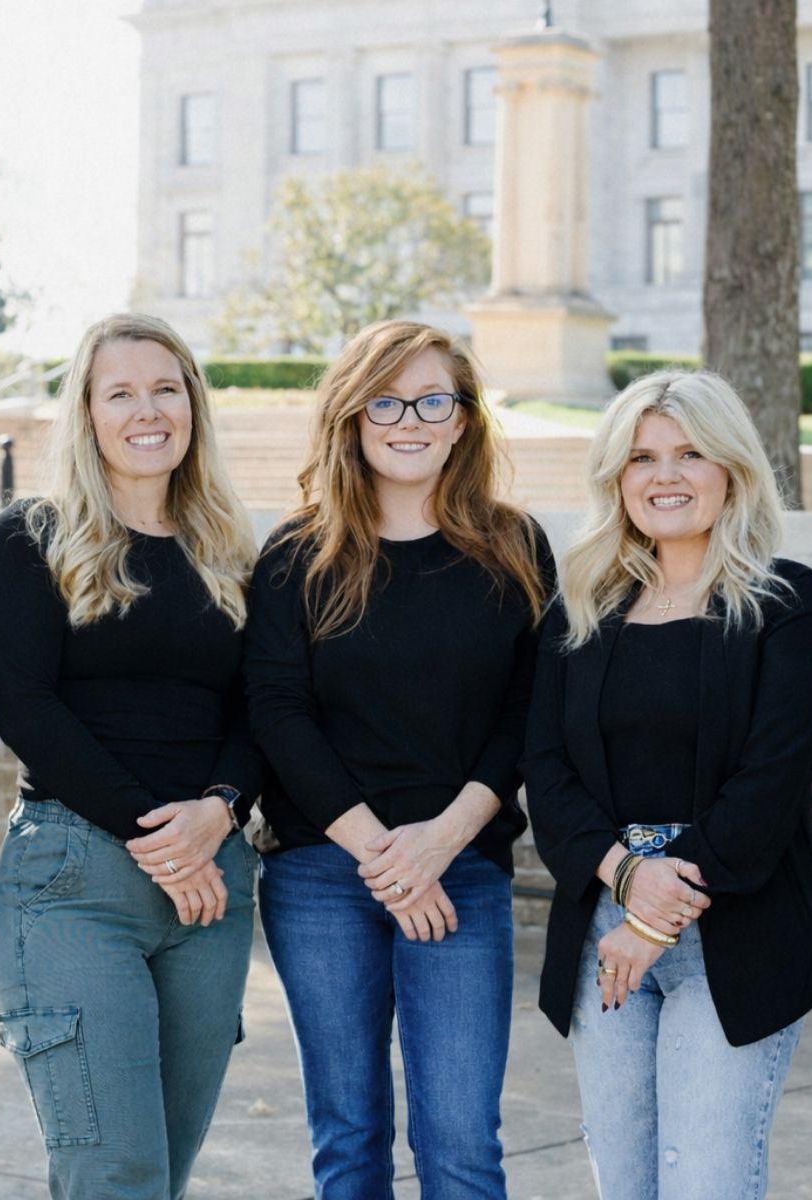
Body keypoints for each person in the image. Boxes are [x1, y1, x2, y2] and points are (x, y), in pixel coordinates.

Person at [244, 319, 550, 1199]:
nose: (407, 419)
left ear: (463, 420)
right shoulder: (297, 554)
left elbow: (529, 713)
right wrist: (385, 853)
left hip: (464, 870)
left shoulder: (513, 549)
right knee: (349, 1137)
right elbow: (278, 713)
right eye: (385, 400)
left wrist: (439, 844)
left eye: (431, 399)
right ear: (352, 416)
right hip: (320, 872)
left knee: (460, 1143)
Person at [0, 312, 261, 1199]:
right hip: (74, 878)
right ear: (86, 413)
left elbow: (266, 705)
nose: (148, 409)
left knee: (161, 1173)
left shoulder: (235, 552)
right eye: (120, 392)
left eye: (166, 388)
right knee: (113, 1172)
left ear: (194, 406)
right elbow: (27, 710)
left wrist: (219, 809)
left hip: (213, 883)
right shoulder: (30, 539)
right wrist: (159, 839)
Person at [520, 369, 812, 1199]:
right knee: (625, 1185)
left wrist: (654, 921)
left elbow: (767, 789)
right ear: (617, 478)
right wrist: (626, 881)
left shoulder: (787, 604)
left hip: (738, 934)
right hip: (602, 938)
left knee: (706, 1184)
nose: (665, 475)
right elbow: (547, 776)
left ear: (730, 467)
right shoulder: (579, 610)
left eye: (690, 452)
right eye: (642, 456)